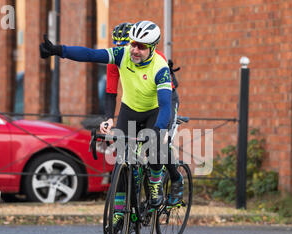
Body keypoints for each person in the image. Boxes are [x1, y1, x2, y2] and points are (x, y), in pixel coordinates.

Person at [40, 21, 184, 220]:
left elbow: (166, 106)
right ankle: (118, 214)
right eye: (132, 44)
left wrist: (159, 130)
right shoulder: (121, 55)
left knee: (155, 147)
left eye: (141, 46)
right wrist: (58, 50)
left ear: (152, 48)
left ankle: (156, 182)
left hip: (155, 109)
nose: (134, 49)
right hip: (130, 109)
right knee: (123, 161)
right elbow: (90, 55)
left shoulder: (159, 66)